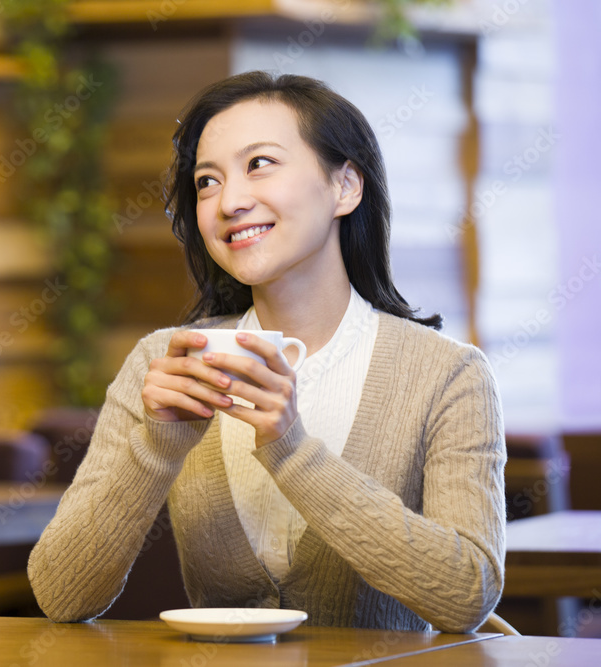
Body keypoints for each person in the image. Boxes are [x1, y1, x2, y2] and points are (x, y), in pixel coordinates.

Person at [27, 71, 505, 633]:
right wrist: (157, 446)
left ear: (345, 187)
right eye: (207, 181)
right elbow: (60, 595)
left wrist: (292, 450)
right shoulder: (166, 362)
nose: (229, 201)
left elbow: (468, 594)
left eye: (260, 164)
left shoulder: (447, 374)